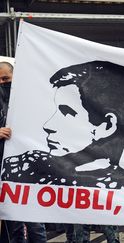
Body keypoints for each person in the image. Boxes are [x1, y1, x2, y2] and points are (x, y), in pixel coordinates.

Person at [1, 61, 124, 190]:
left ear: (107, 126)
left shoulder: (121, 190)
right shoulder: (23, 166)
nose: (48, 125)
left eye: (66, 112)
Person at [0, 61, 48, 243]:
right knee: (14, 227)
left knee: (35, 225)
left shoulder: (29, 101)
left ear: (15, 77)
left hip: (29, 174)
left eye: (6, 78)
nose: (2, 83)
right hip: (5, 175)